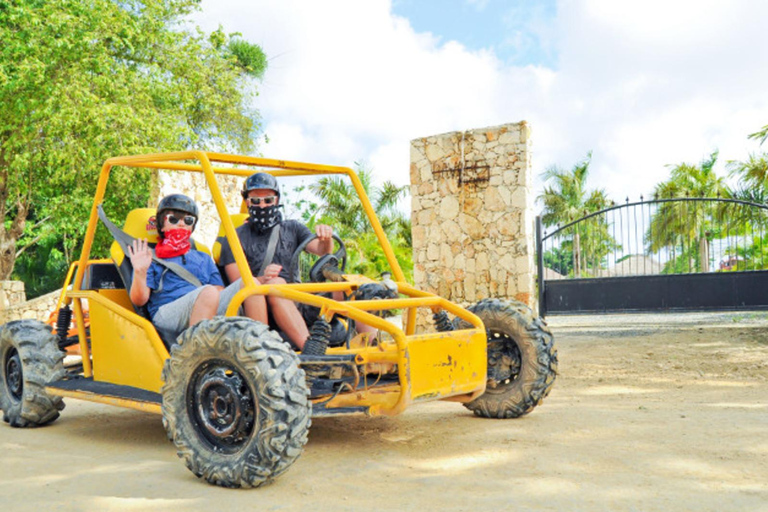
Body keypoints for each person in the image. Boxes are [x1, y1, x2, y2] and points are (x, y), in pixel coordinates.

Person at [217, 173, 336, 350]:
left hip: (296, 299)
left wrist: (326, 237)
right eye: (256, 201)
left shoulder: (293, 228)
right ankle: (310, 349)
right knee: (277, 283)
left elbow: (322, 250)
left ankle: (377, 347)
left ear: (277, 200)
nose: (262, 205)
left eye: (268, 200)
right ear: (247, 202)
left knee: (354, 285)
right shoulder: (235, 237)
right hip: (259, 305)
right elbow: (237, 283)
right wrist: (263, 279)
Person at [128, 193, 261, 334]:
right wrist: (140, 273)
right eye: (173, 219)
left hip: (204, 303)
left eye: (188, 220)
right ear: (161, 225)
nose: (181, 223)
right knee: (209, 292)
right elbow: (139, 300)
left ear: (192, 227)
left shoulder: (203, 257)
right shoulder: (150, 257)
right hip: (167, 312)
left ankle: (262, 341)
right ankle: (197, 351)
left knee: (251, 283)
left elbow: (219, 291)